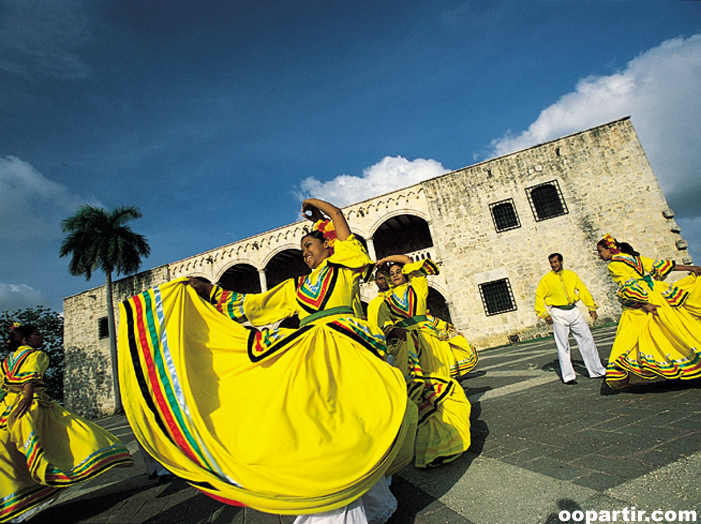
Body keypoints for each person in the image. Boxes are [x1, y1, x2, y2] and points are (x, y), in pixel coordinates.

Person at [119, 199, 417, 524]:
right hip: (312, 357)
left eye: (310, 245)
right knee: (327, 428)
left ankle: (352, 494)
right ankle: (345, 495)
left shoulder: (344, 267)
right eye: (302, 248)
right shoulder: (296, 287)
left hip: (349, 351)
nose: (305, 252)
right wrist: (208, 290)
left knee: (351, 424)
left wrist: (322, 211)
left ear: (328, 248)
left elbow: (340, 224)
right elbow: (254, 305)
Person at [0, 323, 133, 523]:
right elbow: (30, 381)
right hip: (33, 406)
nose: (41, 337)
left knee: (12, 454)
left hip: (7, 409)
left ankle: (17, 502)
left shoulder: (6, 362)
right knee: (72, 434)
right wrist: (27, 400)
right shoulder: (37, 355)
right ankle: (63, 473)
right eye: (37, 334)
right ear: (26, 340)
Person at [370, 254, 476, 468]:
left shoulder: (417, 287)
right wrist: (394, 329)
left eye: (398, 272)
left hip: (429, 341)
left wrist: (386, 260)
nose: (395, 275)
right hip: (407, 348)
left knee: (441, 384)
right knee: (419, 392)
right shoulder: (384, 302)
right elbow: (382, 326)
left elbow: (409, 261)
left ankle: (451, 435)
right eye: (391, 274)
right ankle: (432, 445)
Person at [596, 235, 701, 390]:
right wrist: (690, 268)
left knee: (634, 336)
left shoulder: (614, 265)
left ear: (610, 250)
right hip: (656, 294)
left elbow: (627, 285)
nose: (599, 255)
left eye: (600, 251)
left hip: (642, 301)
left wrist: (643, 303)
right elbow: (660, 265)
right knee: (671, 329)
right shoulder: (633, 259)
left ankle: (665, 366)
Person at [535, 253, 607, 385]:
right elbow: (539, 297)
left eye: (556, 262)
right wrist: (544, 314)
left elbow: (583, 290)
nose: (554, 265)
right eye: (551, 262)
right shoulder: (546, 279)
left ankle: (597, 370)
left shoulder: (571, 275)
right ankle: (568, 376)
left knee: (587, 339)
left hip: (573, 310)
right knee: (562, 344)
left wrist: (591, 307)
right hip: (558, 312)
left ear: (561, 261)